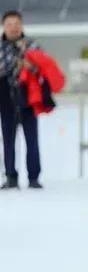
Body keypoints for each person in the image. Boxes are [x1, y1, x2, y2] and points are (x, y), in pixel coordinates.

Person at [0, 10, 50, 190]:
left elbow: (44, 67)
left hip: (28, 95)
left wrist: (31, 66)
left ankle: (34, 177)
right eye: (9, 24)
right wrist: (16, 61)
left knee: (32, 137)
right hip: (5, 95)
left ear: (21, 25)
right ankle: (11, 176)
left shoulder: (31, 45)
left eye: (16, 24)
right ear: (4, 26)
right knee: (8, 138)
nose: (13, 28)